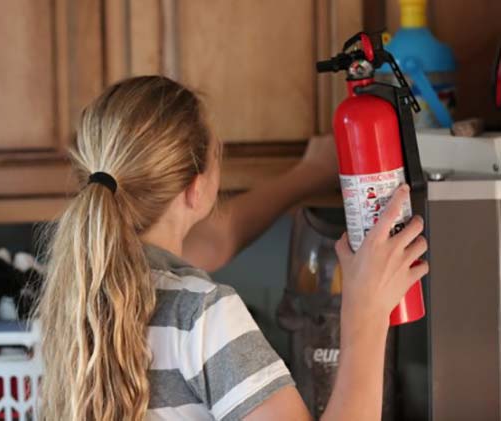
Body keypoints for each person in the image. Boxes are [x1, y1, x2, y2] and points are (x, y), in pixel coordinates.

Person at [34, 76, 428, 421]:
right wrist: (367, 313)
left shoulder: (78, 298)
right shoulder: (202, 315)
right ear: (197, 187)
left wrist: (309, 173)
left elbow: (215, 242)